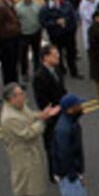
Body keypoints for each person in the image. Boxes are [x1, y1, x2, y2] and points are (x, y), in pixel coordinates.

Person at [0, 83, 59, 196]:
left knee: (31, 178)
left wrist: (42, 114)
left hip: (30, 150)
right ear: (11, 98)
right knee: (23, 183)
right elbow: (27, 134)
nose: (23, 97)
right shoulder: (9, 118)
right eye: (20, 94)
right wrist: (43, 121)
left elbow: (30, 115)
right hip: (22, 153)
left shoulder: (19, 106)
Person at [52, 94, 99, 196]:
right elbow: (64, 156)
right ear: (71, 109)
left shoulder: (70, 122)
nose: (82, 107)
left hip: (74, 172)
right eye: (79, 105)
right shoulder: (64, 129)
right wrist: (75, 176)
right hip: (69, 175)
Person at [33, 44, 67, 180]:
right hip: (51, 115)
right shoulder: (39, 76)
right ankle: (54, 172)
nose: (58, 56)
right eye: (54, 54)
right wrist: (53, 110)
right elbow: (41, 100)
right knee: (52, 144)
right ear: (45, 58)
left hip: (61, 110)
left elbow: (62, 89)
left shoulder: (57, 70)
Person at [40, 0, 82, 79]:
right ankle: (61, 70)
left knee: (71, 53)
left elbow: (73, 17)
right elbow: (43, 22)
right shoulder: (45, 8)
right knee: (57, 53)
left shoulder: (66, 4)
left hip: (68, 34)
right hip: (55, 35)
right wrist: (55, 22)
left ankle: (74, 71)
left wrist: (70, 27)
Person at [0, 0, 23, 85]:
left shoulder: (10, 3)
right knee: (8, 64)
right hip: (6, 41)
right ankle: (9, 84)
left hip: (14, 38)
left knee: (14, 62)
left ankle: (15, 82)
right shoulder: (0, 7)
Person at [16, 0, 43, 83]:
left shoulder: (37, 5)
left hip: (36, 32)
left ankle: (37, 71)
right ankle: (24, 73)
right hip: (24, 34)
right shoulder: (18, 7)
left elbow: (40, 17)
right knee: (23, 55)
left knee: (37, 53)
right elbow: (16, 21)